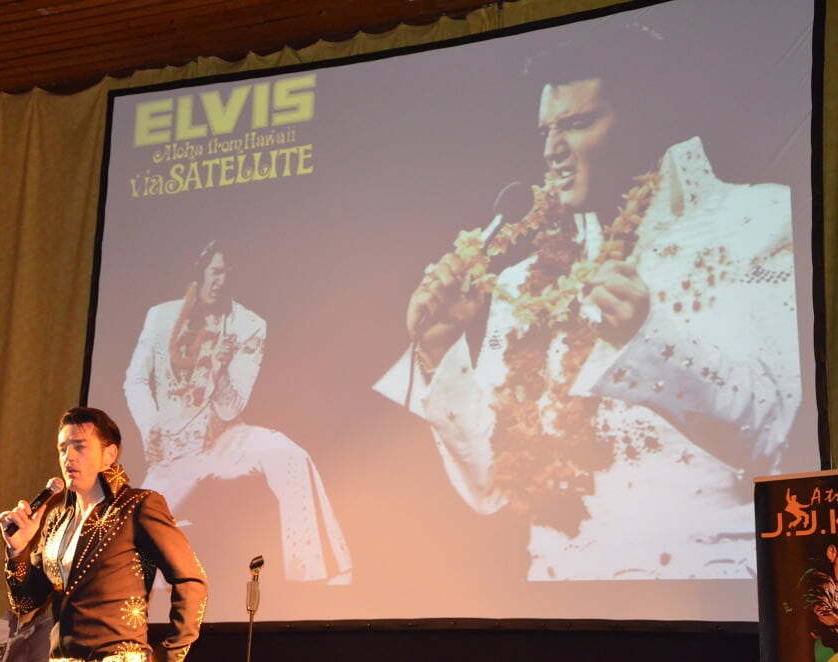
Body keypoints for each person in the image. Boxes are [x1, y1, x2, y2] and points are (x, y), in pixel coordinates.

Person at [374, 26, 800, 580]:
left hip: (709, 596)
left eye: (576, 124)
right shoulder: (527, 282)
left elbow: (777, 442)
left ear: (644, 120)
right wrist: (440, 352)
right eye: (546, 130)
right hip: (563, 604)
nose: (551, 150)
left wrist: (649, 339)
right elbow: (492, 488)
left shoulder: (754, 224)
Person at [124, 241, 352, 584]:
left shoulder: (249, 325)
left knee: (288, 453)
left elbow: (232, 406)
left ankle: (312, 571)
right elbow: (136, 380)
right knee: (136, 550)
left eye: (228, 274)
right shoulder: (161, 316)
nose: (221, 281)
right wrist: (150, 428)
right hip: (171, 451)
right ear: (202, 271)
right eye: (216, 272)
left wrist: (218, 370)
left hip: (222, 441)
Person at [0, 407, 207, 662]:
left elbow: (191, 580)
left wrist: (169, 656)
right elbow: (25, 604)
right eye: (63, 449)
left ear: (109, 455)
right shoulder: (56, 520)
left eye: (79, 447)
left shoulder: (137, 506)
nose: (68, 457)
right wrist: (18, 550)